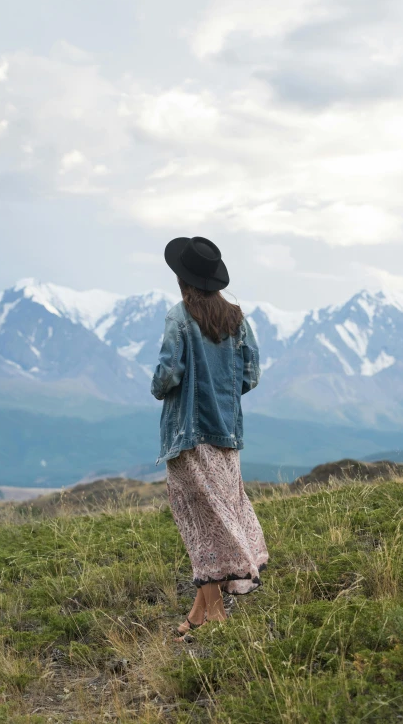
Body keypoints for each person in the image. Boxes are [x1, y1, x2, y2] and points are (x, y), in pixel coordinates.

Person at [151, 235, 269, 641]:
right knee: (217, 518)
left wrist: (157, 389)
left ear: (183, 279)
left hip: (188, 437)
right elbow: (250, 375)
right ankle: (198, 615)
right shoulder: (237, 318)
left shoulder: (179, 317)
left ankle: (215, 615)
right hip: (227, 436)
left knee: (200, 526)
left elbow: (168, 374)